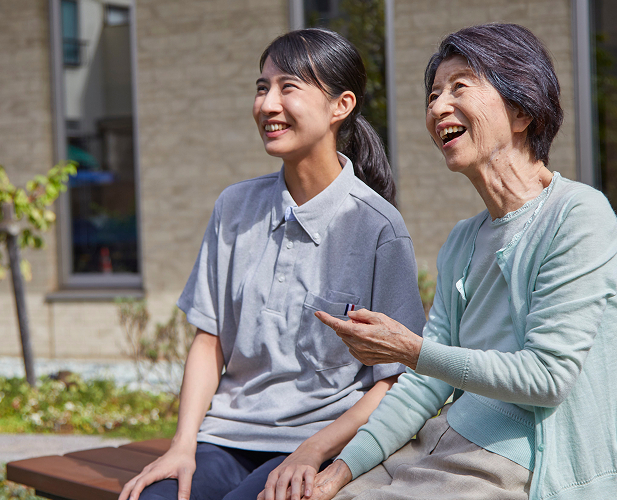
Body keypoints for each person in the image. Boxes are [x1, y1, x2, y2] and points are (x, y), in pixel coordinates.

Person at [305, 23, 617, 500]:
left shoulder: (578, 215)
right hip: (451, 444)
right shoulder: (463, 240)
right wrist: (339, 471)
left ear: (521, 110)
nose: (438, 107)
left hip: (524, 465)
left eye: (460, 87)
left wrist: (410, 349)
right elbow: (423, 386)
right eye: (434, 94)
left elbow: (546, 377)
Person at [118, 28, 427, 500]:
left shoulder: (378, 228)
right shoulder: (234, 206)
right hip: (225, 439)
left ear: (340, 106)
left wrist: (310, 451)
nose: (267, 104)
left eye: (288, 87)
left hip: (322, 442)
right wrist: (182, 446)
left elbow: (397, 380)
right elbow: (209, 340)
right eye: (263, 87)